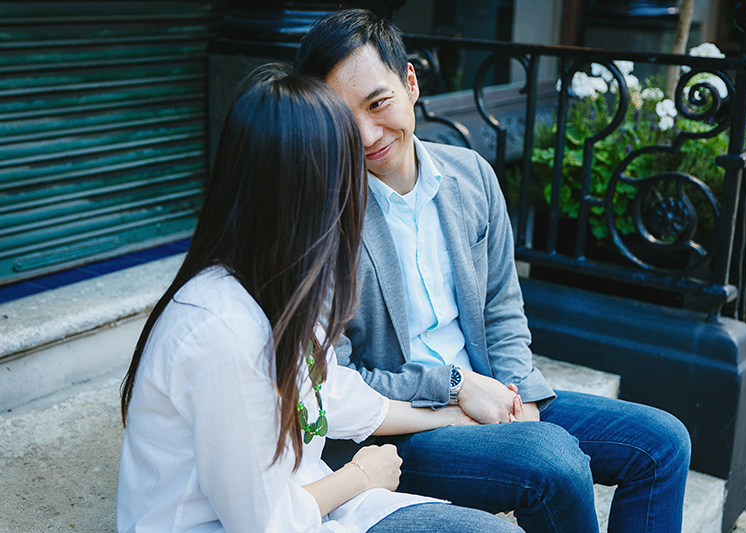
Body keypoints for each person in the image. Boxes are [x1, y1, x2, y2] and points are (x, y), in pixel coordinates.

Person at [295, 9, 692, 533]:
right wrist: (454, 385)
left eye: (378, 103)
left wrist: (521, 396)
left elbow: (502, 306)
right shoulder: (325, 221)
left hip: (494, 393)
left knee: (662, 443)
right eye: (344, 120)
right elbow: (340, 381)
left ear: (410, 82)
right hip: (401, 432)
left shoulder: (472, 176)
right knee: (551, 460)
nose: (367, 135)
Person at [116, 66, 523, 533]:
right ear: (305, 192)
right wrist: (361, 475)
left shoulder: (278, 283)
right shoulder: (223, 331)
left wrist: (453, 412)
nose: (358, 193)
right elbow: (266, 523)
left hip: (319, 502)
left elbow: (333, 395)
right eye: (346, 173)